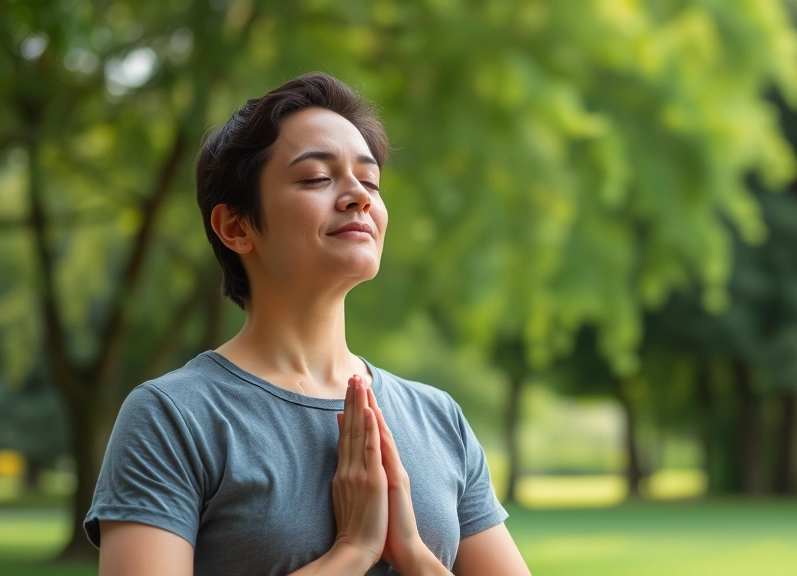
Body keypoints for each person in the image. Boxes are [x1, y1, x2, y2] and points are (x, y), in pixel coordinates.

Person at [84, 72, 531, 576]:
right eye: (318, 177)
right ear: (236, 226)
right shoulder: (174, 417)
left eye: (370, 181)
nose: (359, 196)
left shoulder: (437, 418)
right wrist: (351, 552)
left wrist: (413, 555)